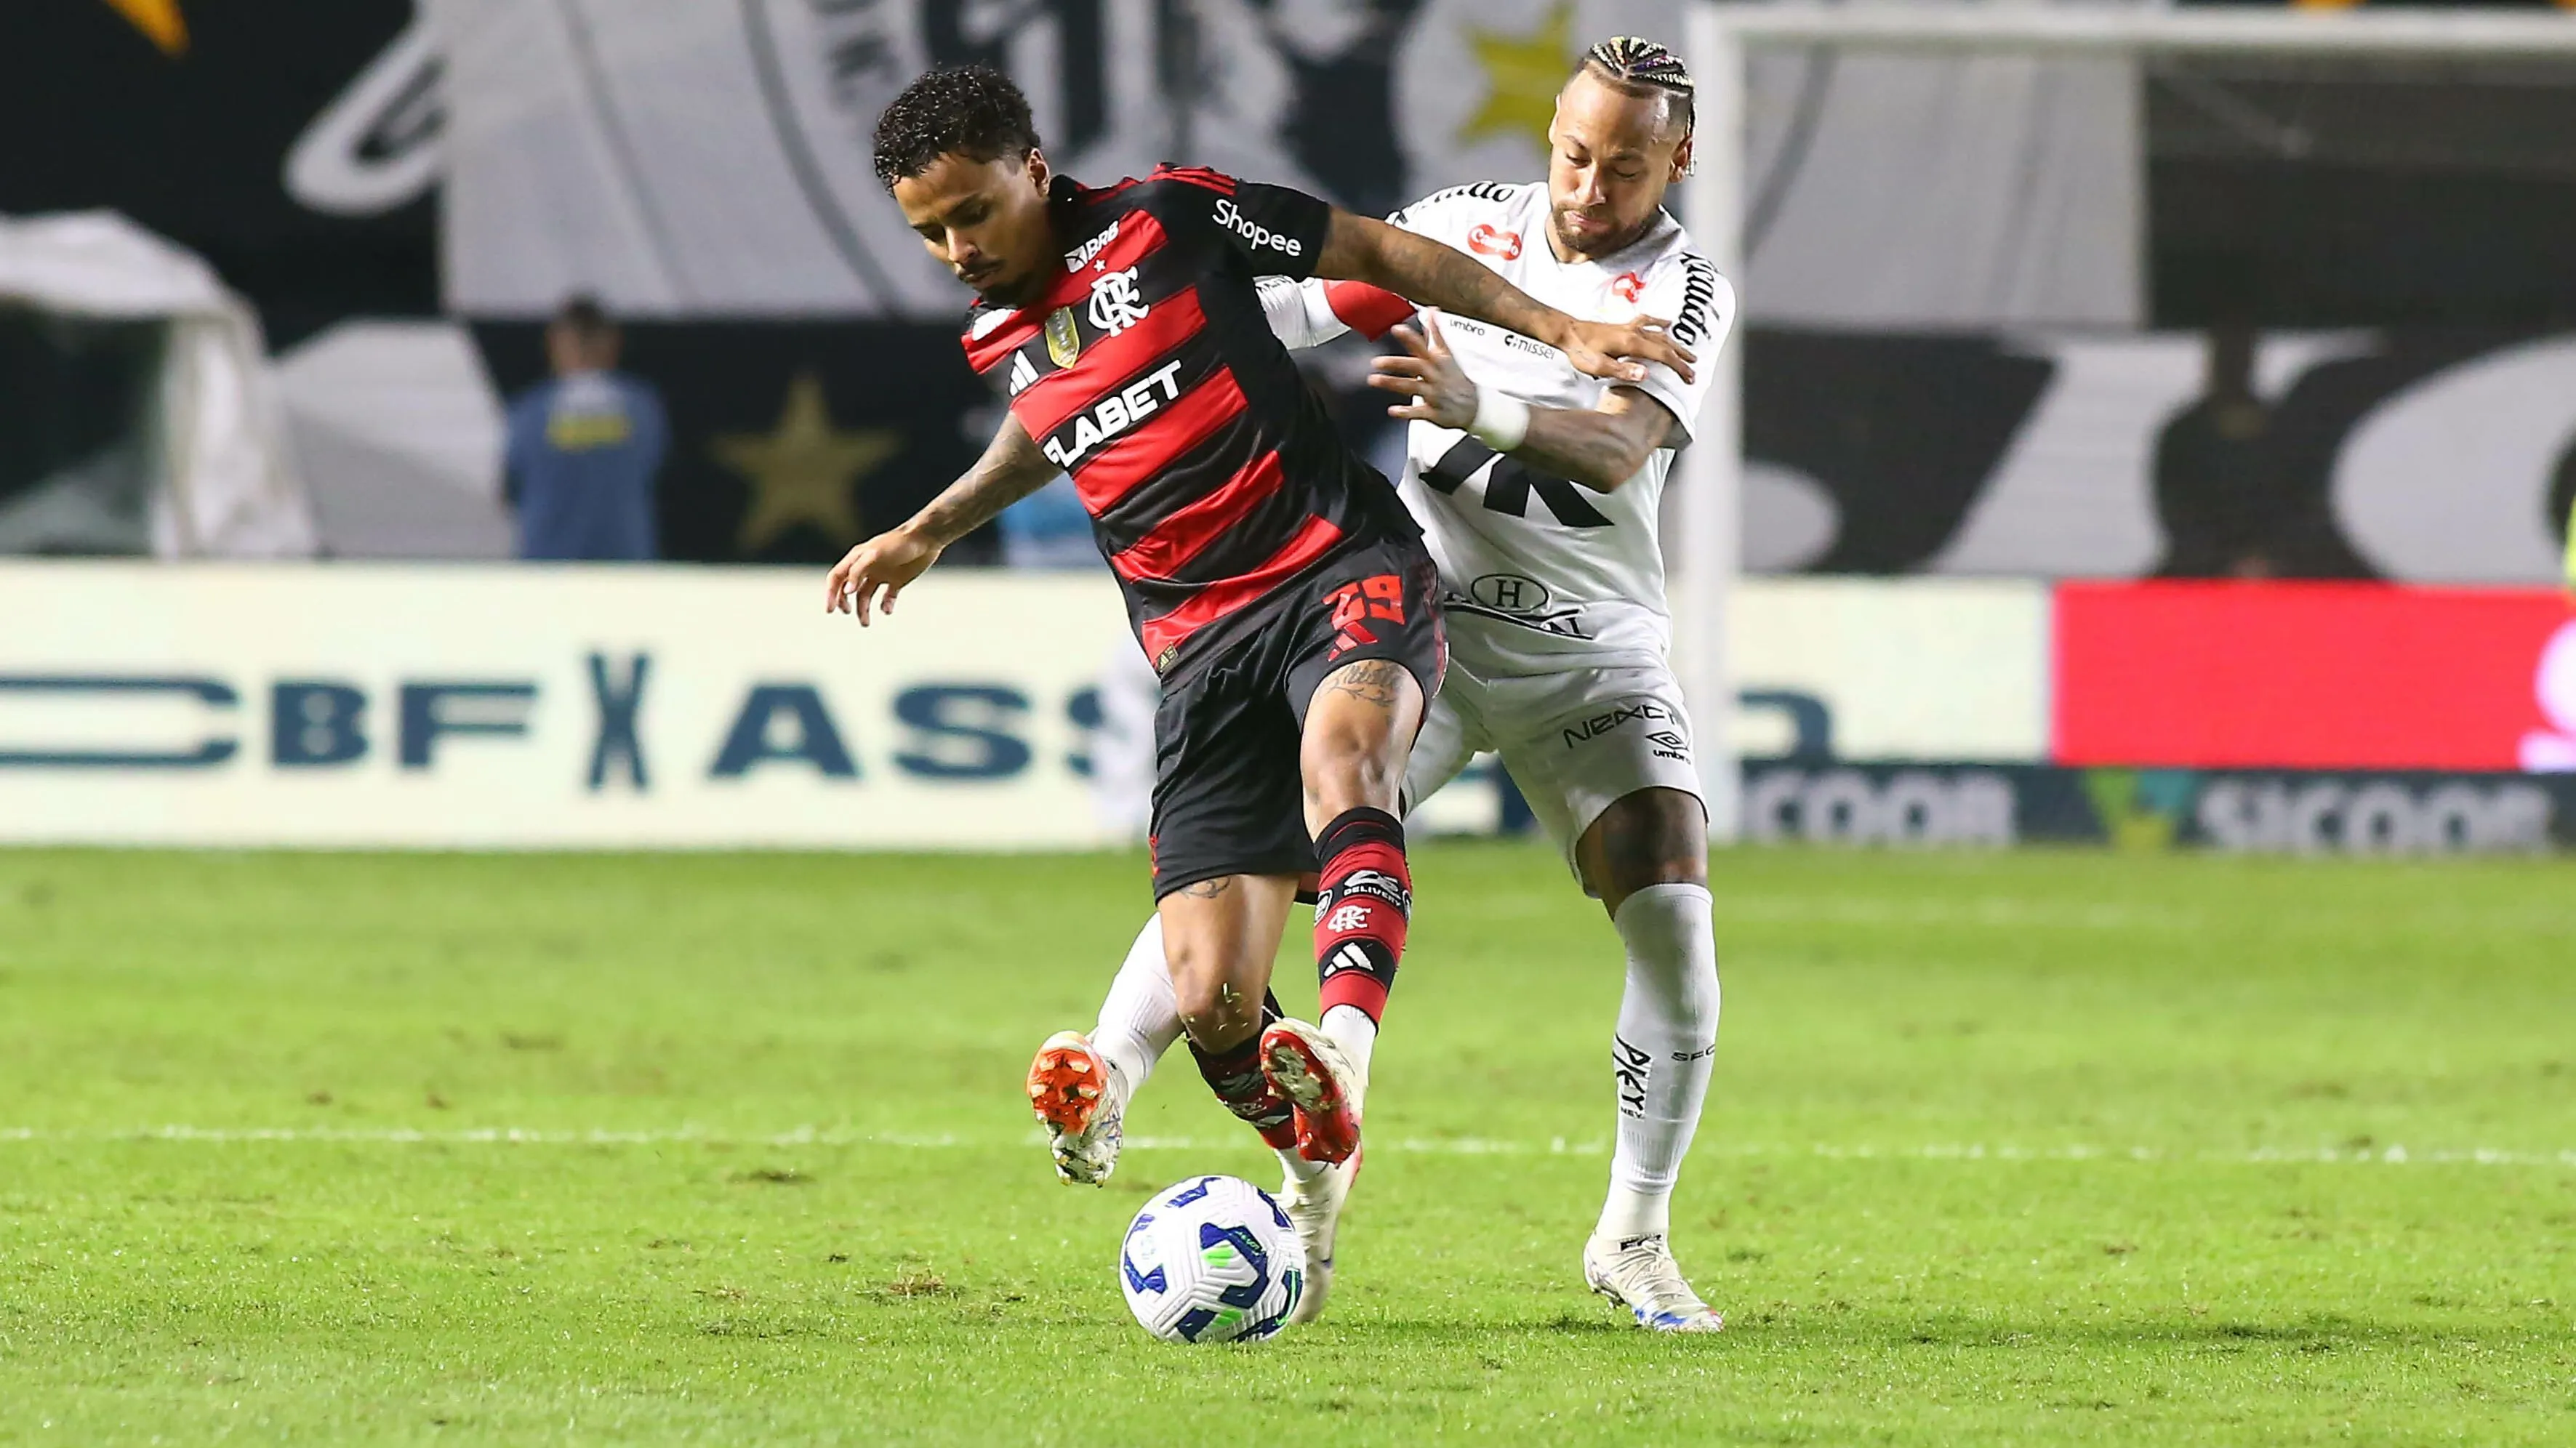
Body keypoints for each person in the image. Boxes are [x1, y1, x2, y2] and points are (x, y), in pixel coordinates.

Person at [825, 65, 1693, 1322]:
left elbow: (1377, 249)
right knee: (1214, 1001)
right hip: (1197, 650)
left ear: (1030, 167)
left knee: (1347, 764)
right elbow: (1053, 420)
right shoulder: (1000, 328)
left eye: (971, 213)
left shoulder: (1171, 217)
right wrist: (931, 526)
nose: (957, 248)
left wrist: (1558, 335)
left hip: (1338, 565)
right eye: (930, 232)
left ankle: (1342, 1038)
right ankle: (1302, 1140)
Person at [502, 297, 667, 561]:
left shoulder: (530, 411)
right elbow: (653, 466)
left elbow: (510, 485)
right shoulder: (642, 409)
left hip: (548, 562)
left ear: (556, 344)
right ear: (612, 343)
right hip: (623, 560)